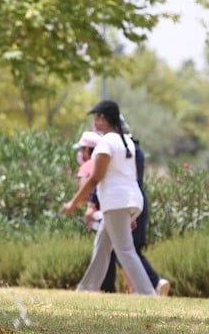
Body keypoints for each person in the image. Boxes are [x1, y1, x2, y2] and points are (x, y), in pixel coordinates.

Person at [61, 100, 156, 295]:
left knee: (125, 250)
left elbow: (96, 177)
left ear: (104, 118)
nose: (95, 122)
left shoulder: (106, 142)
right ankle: (87, 289)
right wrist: (130, 212)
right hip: (129, 200)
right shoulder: (126, 141)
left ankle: (147, 293)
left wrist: (74, 202)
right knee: (103, 245)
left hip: (116, 202)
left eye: (96, 117)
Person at [90, 117, 171, 295]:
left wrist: (91, 202)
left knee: (125, 249)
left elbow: (104, 179)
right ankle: (137, 287)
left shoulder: (118, 152)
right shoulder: (135, 151)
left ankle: (152, 284)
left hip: (121, 204)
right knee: (121, 248)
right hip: (134, 203)